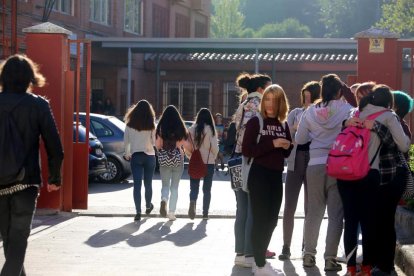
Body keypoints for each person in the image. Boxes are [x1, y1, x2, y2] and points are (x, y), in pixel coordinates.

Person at [0, 54, 64, 276]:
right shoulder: (38, 105)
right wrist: (55, 178)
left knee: (9, 240)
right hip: (25, 183)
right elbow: (55, 145)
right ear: (30, 77)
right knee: (17, 239)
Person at [339, 85, 411, 276]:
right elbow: (404, 145)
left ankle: (357, 266)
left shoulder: (357, 113)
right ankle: (377, 265)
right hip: (383, 175)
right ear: (389, 102)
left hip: (352, 173)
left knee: (360, 221)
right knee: (381, 222)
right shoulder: (388, 116)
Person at [296, 73, 355, 272]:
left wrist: (315, 134)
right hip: (339, 165)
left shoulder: (310, 111)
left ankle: (308, 255)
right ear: (340, 91)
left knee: (314, 211)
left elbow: (301, 139)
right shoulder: (347, 109)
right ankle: (330, 258)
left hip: (314, 164)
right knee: (336, 214)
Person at [242, 84, 292, 276]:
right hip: (259, 174)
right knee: (261, 219)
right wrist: (272, 144)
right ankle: (260, 264)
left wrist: (287, 145)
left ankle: (259, 261)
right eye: (267, 99)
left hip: (276, 176)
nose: (270, 104)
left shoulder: (283, 124)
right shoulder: (257, 122)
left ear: (281, 102)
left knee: (272, 220)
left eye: (275, 100)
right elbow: (247, 150)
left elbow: (286, 151)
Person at [232, 73, 274, 269]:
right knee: (252, 210)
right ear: (260, 89)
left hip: (237, 160)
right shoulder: (258, 105)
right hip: (251, 161)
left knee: (241, 209)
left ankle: (240, 253)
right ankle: (250, 254)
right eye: (269, 87)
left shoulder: (242, 104)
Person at [279, 81, 321, 260]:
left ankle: (307, 246)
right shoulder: (295, 113)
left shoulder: (321, 113)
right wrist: (296, 127)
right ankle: (286, 246)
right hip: (294, 160)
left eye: (310, 97)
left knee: (310, 207)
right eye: (305, 97)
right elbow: (285, 133)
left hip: (313, 161)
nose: (307, 101)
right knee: (289, 206)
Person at [124, 100, 156, 222]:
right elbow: (153, 142)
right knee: (148, 183)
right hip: (149, 156)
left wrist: (127, 154)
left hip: (136, 156)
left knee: (137, 185)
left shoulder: (129, 124)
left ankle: (138, 211)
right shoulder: (152, 124)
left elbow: (126, 142)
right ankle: (148, 206)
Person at [155, 105, 188, 221]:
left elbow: (157, 145)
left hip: (164, 159)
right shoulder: (180, 127)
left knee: (165, 185)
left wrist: (163, 151)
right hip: (178, 159)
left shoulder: (160, 128)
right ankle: (171, 213)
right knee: (174, 187)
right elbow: (185, 142)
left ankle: (164, 199)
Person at [184, 108, 219, 220]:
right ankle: (205, 214)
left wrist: (191, 156)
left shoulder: (191, 129)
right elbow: (215, 148)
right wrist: (214, 155)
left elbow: (187, 147)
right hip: (208, 162)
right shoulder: (211, 130)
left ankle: (193, 201)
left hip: (195, 162)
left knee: (194, 187)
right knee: (207, 190)